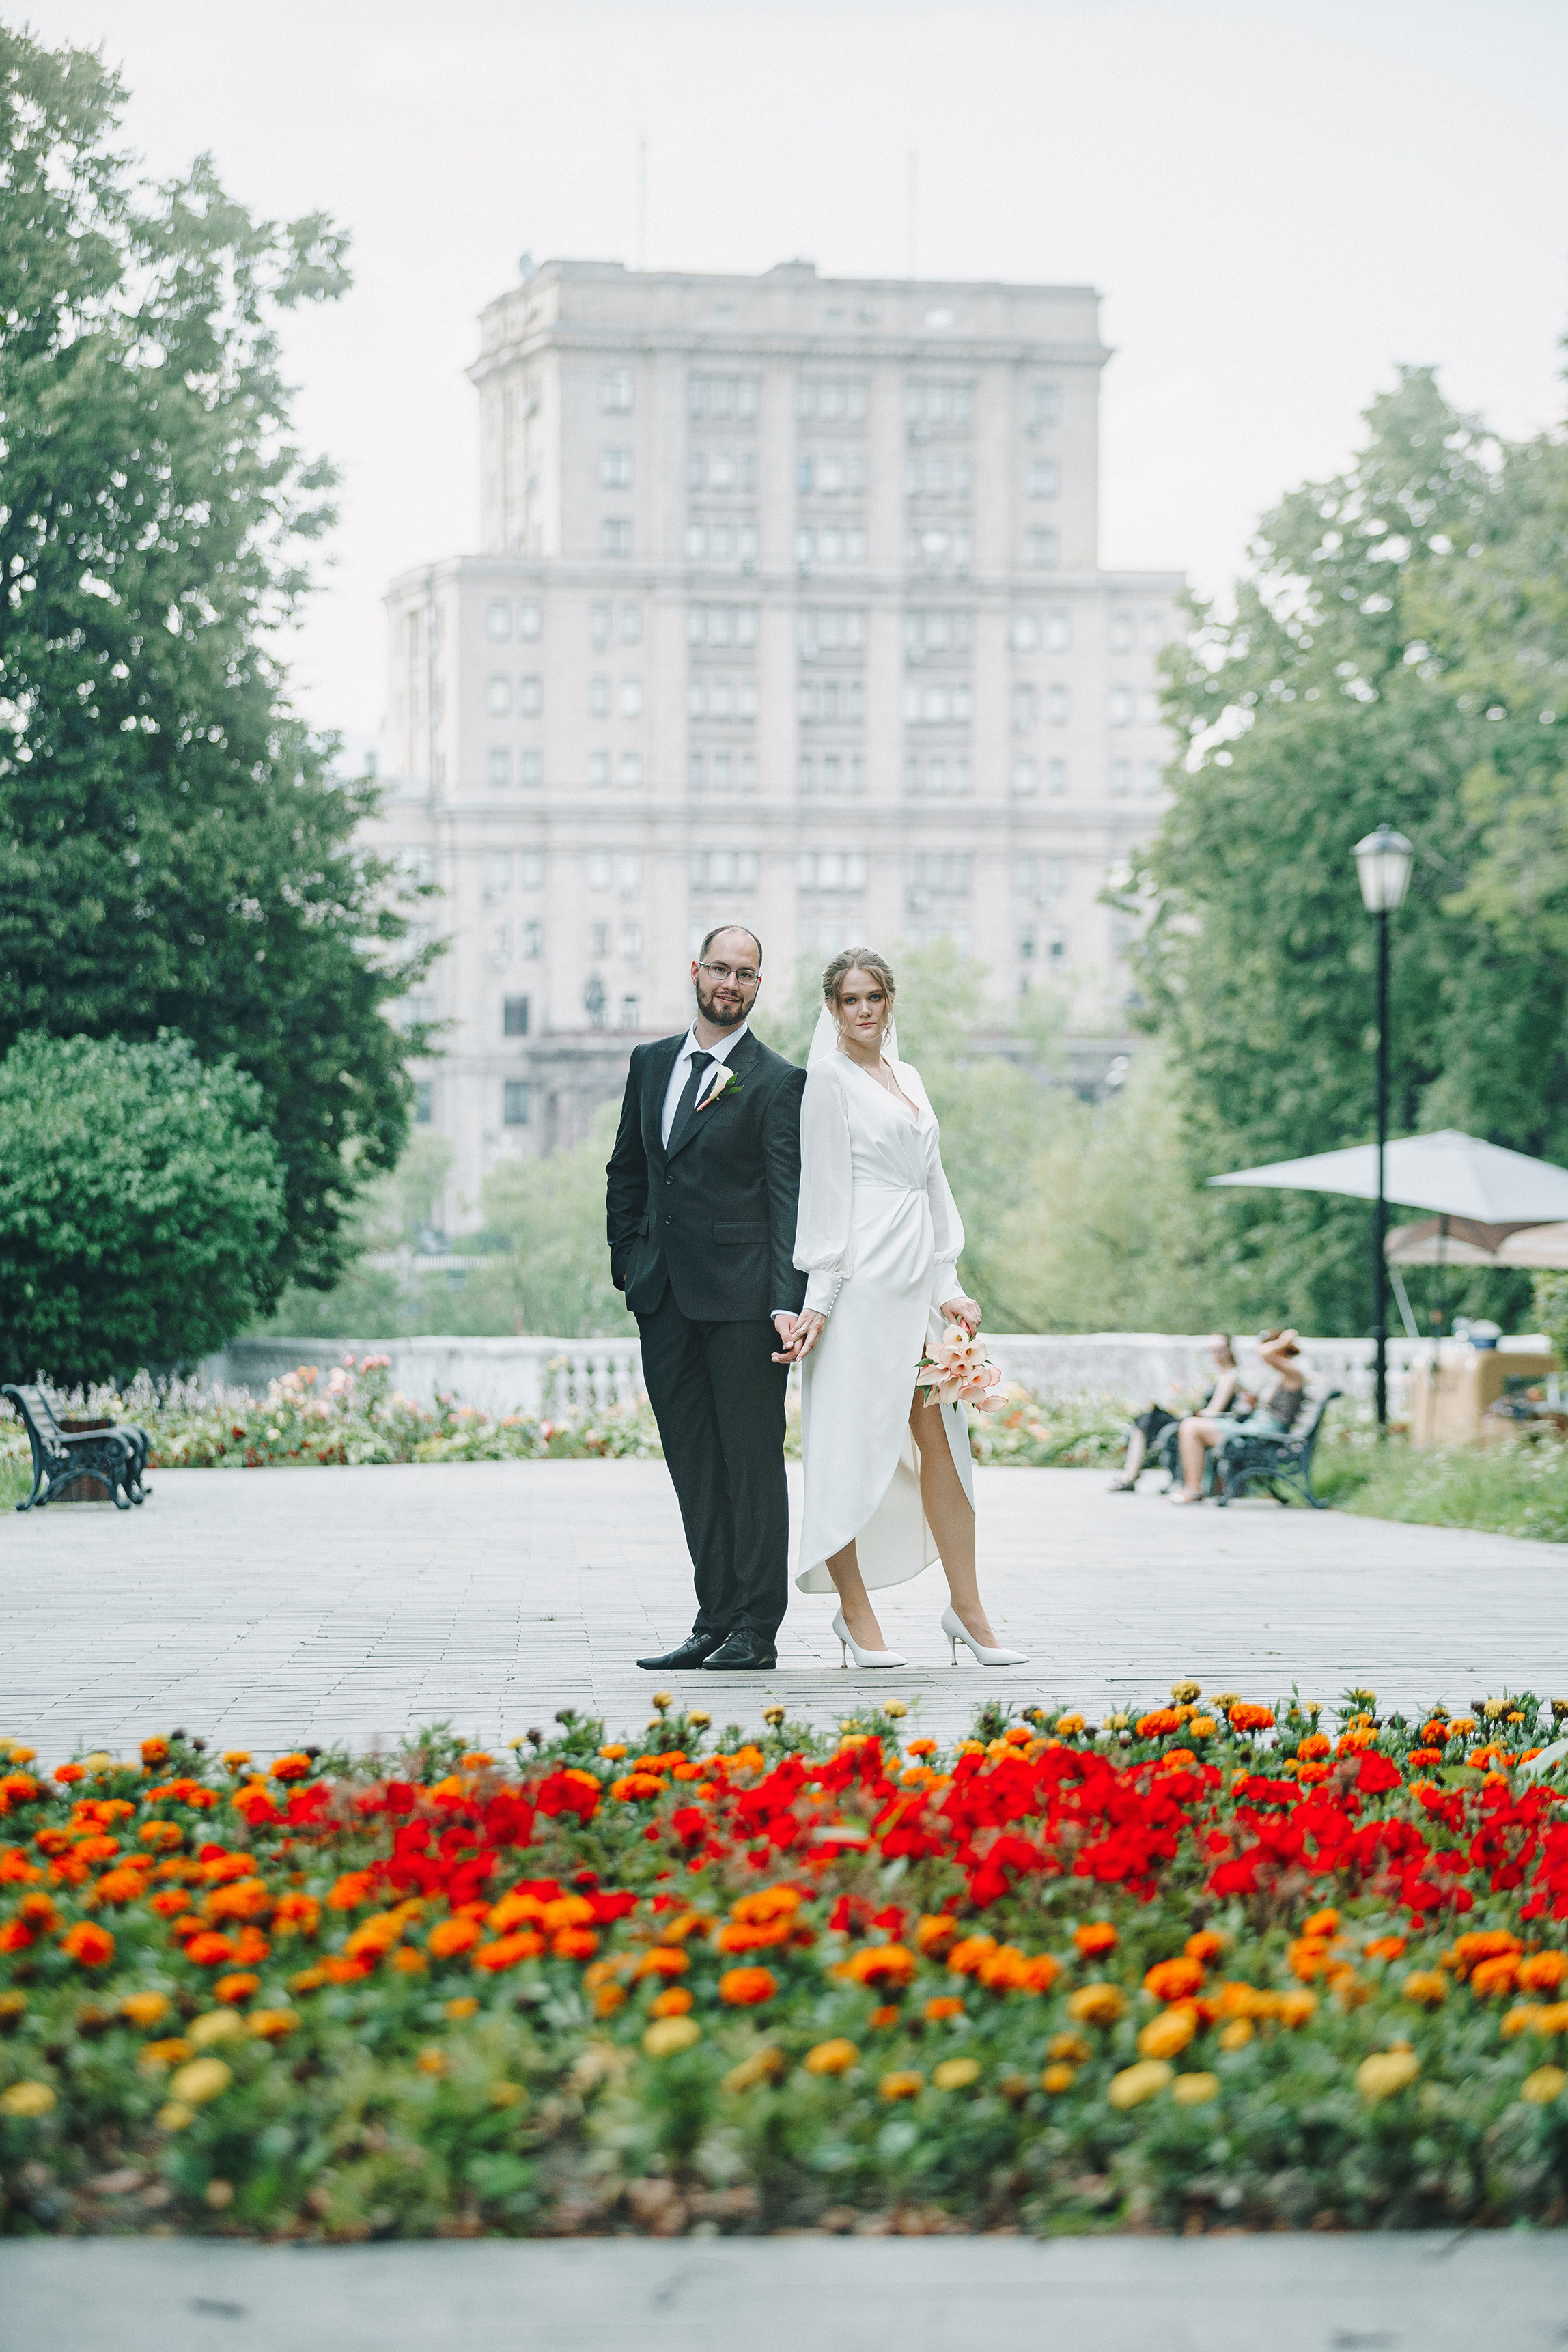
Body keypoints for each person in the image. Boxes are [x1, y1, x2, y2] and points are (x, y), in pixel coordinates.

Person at [775, 949, 1026, 1669]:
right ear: (833, 1009)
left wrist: (948, 1283)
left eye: (875, 997)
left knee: (946, 1449)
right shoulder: (826, 1081)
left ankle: (968, 1610)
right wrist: (817, 1299)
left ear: (890, 1003)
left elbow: (932, 1183)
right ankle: (856, 1615)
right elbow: (823, 1194)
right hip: (858, 1290)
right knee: (851, 1450)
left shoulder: (908, 1078)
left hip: (914, 1286)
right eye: (850, 999)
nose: (864, 1010)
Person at [605, 924, 807, 1672]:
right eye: (719, 968)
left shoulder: (779, 1080)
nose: (730, 983)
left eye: (745, 973)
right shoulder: (650, 1062)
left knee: (751, 1464)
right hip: (663, 1300)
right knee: (692, 1463)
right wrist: (629, 1265)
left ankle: (757, 1627)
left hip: (746, 1305)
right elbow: (626, 1171)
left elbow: (789, 1202)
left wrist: (788, 1300)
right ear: (694, 971)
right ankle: (713, 1616)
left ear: (759, 985)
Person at [1171, 1327, 1306, 1504]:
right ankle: (1198, 1487)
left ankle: (1193, 1489)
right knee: (1191, 1425)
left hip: (1266, 1434)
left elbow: (1263, 1352)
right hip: (1258, 1427)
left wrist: (1284, 1340)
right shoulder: (1283, 1376)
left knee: (1191, 1427)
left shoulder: (1293, 1374)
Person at [1109, 1335, 1241, 1492]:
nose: (1215, 1355)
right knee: (1147, 1417)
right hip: (1199, 1418)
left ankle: (1130, 1474)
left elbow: (1213, 1411)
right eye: (1212, 1351)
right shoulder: (1221, 1376)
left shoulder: (1229, 1378)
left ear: (1229, 1351)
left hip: (1206, 1422)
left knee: (1149, 1419)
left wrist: (1190, 1414)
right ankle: (1130, 1473)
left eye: (1219, 1350)